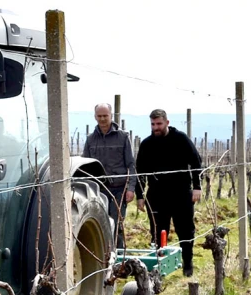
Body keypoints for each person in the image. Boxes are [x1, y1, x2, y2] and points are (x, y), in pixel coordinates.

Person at [134, 108, 202, 277]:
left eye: (159, 124)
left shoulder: (181, 139)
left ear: (167, 123)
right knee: (157, 232)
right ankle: (159, 267)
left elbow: (195, 162)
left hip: (181, 193)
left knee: (185, 230)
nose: (156, 127)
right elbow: (140, 172)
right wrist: (140, 196)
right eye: (153, 124)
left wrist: (197, 187)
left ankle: (187, 263)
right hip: (157, 195)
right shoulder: (147, 144)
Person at [82, 103, 136, 247]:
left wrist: (130, 188)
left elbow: (131, 164)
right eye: (99, 116)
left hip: (119, 189)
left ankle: (118, 256)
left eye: (105, 115)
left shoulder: (123, 137)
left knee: (117, 224)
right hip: (99, 189)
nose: (103, 119)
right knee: (100, 224)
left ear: (111, 115)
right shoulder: (91, 139)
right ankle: (104, 257)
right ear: (95, 117)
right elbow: (85, 167)